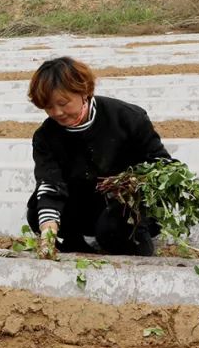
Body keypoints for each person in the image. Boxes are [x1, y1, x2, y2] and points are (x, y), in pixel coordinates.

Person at [26, 57, 170, 257]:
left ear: (84, 91)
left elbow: (162, 165)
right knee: (36, 211)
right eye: (48, 106)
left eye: (63, 103)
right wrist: (48, 231)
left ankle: (134, 244)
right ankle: (77, 248)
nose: (57, 112)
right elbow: (50, 184)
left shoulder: (128, 118)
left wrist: (135, 184)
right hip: (86, 203)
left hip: (126, 205)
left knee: (113, 229)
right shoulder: (45, 136)